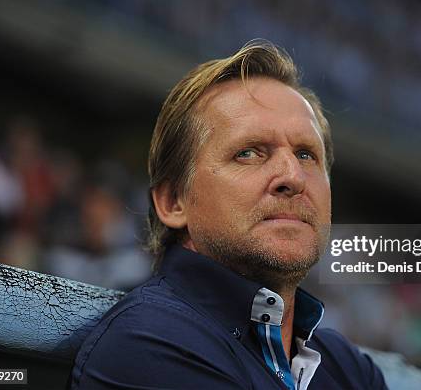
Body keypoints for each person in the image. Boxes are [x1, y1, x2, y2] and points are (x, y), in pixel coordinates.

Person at [69, 40, 387, 389]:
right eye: (249, 153)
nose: (293, 177)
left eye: (306, 155)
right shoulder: (149, 342)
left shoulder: (346, 365)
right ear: (175, 202)